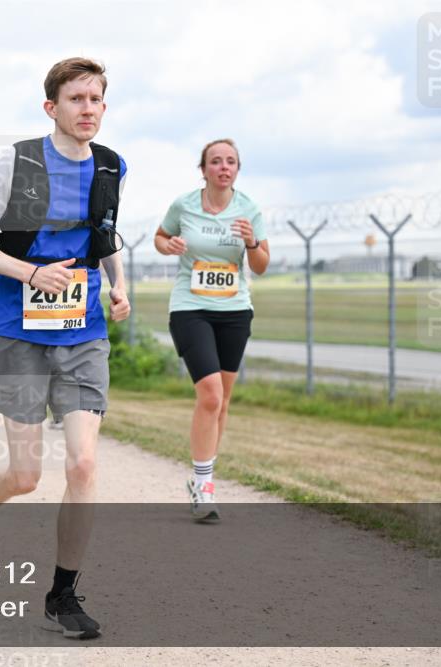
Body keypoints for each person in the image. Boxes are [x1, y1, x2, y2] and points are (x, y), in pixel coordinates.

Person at [0, 57, 130, 640]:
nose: (88, 109)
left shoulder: (110, 165)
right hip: (18, 332)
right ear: (51, 107)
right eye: (77, 99)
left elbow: (104, 235)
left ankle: (63, 594)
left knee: (83, 463)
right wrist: (32, 273)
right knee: (26, 475)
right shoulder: (16, 162)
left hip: (83, 333)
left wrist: (119, 287)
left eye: (96, 99)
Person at [153, 138, 270, 522]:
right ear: (203, 170)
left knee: (222, 401)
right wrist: (169, 246)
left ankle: (203, 476)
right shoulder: (184, 204)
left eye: (230, 161)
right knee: (210, 395)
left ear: (237, 169)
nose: (223, 167)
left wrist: (251, 242)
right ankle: (204, 485)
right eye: (216, 161)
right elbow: (160, 237)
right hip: (190, 307)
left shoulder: (249, 209)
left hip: (234, 311)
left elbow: (261, 265)